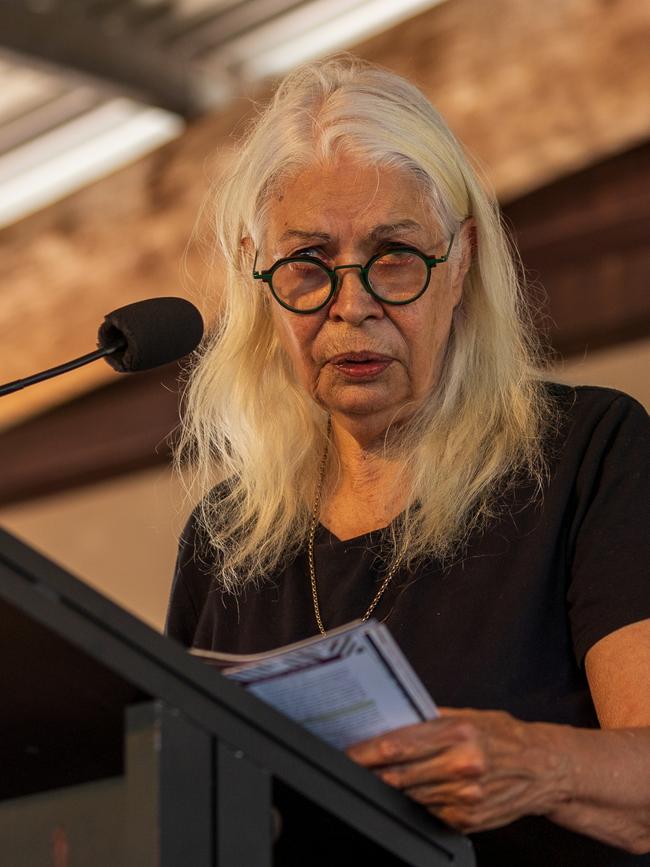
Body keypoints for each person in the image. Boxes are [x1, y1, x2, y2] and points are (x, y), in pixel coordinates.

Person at [166, 56, 650, 865]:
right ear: (259, 272)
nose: (351, 305)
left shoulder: (589, 453)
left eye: (394, 254)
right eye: (309, 264)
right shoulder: (223, 538)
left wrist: (537, 765)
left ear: (459, 260)